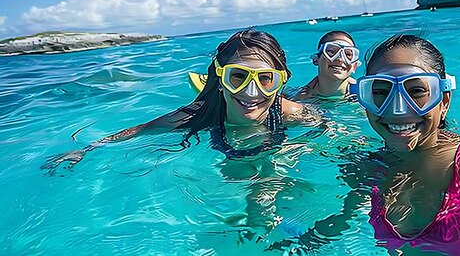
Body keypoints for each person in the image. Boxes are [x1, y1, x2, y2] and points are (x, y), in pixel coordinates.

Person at [271, 34, 460, 255]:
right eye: (379, 92)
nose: (397, 109)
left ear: (444, 99)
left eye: (417, 90)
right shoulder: (366, 168)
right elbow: (342, 220)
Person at [42, 28, 318, 170]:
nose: (252, 91)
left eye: (266, 79)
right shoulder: (197, 114)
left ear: (281, 81)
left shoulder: (288, 111)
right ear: (220, 79)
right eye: (238, 76)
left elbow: (326, 126)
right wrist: (89, 148)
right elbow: (140, 129)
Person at [294, 31, 361, 100]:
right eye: (331, 52)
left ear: (354, 66)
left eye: (348, 54)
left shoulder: (363, 94)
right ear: (316, 60)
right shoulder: (300, 98)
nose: (340, 59)